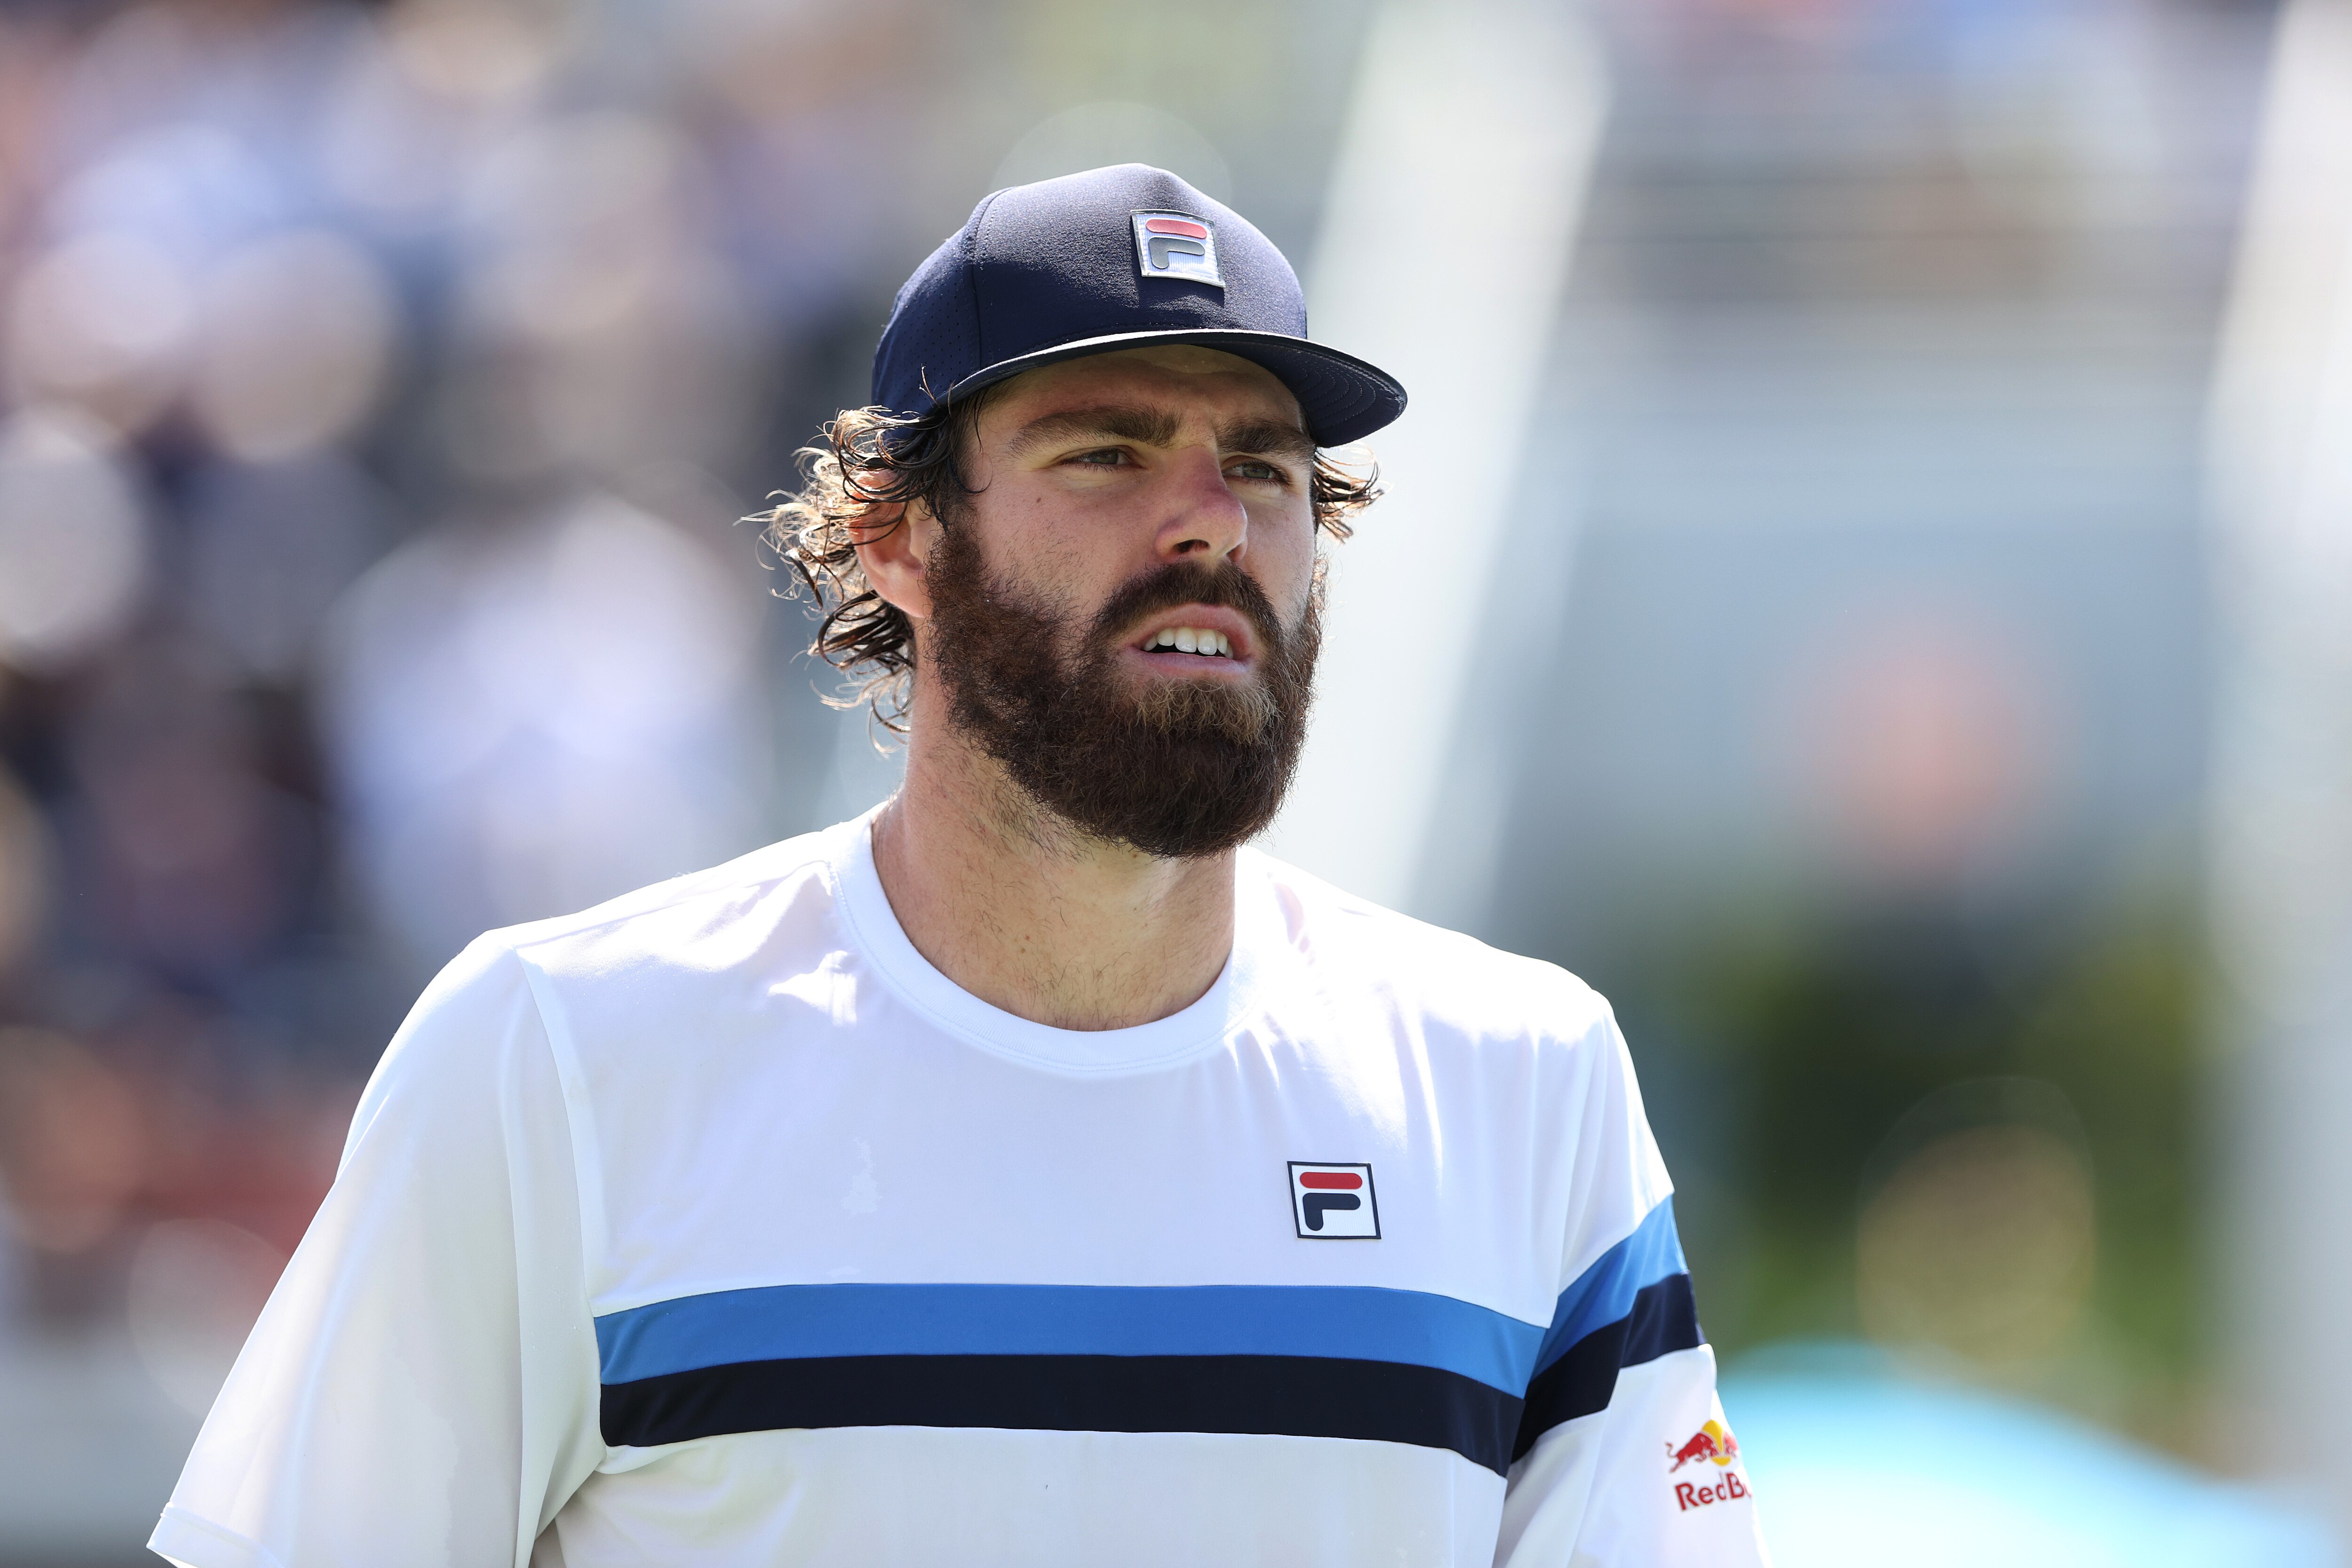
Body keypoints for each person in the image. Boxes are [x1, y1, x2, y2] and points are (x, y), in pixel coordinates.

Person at [150, 165, 1770, 1568]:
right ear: (894, 536)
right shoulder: (553, 1054)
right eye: (1107, 453)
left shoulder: (1524, 1075)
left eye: (1264, 467)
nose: (1209, 522)